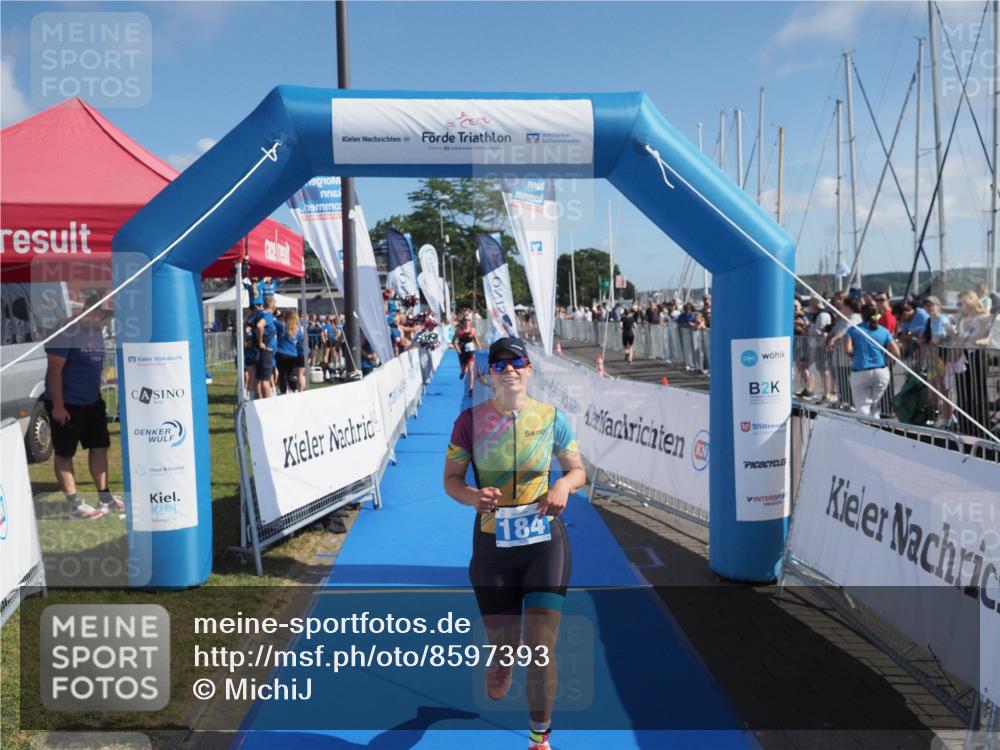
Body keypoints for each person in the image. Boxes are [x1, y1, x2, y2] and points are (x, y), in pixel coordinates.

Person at [443, 337, 586, 750]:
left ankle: (539, 738)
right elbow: (450, 480)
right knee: (505, 647)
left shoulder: (552, 417)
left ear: (529, 369)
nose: (509, 369)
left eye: (517, 361)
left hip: (545, 541)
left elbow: (578, 470)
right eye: (500, 362)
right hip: (492, 546)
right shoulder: (469, 422)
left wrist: (563, 485)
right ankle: (502, 660)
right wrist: (472, 496)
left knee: (541, 648)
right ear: (488, 375)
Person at [43, 297, 124, 520]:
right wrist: (58, 407)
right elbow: (54, 372)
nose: (105, 322)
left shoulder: (96, 331)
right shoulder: (66, 331)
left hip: (91, 401)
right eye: (102, 317)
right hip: (67, 403)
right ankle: (75, 505)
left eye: (107, 318)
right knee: (65, 453)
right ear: (90, 311)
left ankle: (104, 497)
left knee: (100, 446)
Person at [844, 303, 900, 418]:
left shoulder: (852, 330)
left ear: (862, 315)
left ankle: (866, 429)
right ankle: (876, 426)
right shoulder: (884, 331)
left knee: (862, 405)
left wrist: (855, 356)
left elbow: (848, 350)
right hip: (881, 371)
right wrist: (887, 358)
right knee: (875, 404)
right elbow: (896, 352)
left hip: (860, 371)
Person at [251, 297, 278, 398]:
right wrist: (260, 342)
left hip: (257, 350)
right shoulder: (268, 315)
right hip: (265, 350)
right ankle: (268, 405)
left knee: (258, 378)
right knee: (265, 380)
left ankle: (257, 402)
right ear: (273, 306)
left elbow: (248, 323)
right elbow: (259, 325)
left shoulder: (259, 314)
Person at [453, 318, 481, 396]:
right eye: (466, 320)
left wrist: (479, 346)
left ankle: (471, 388)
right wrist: (457, 348)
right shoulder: (458, 331)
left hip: (471, 352)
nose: (468, 322)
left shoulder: (472, 330)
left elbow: (475, 338)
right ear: (463, 322)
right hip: (462, 352)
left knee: (471, 369)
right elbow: (454, 341)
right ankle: (462, 373)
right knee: (464, 371)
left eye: (469, 320)